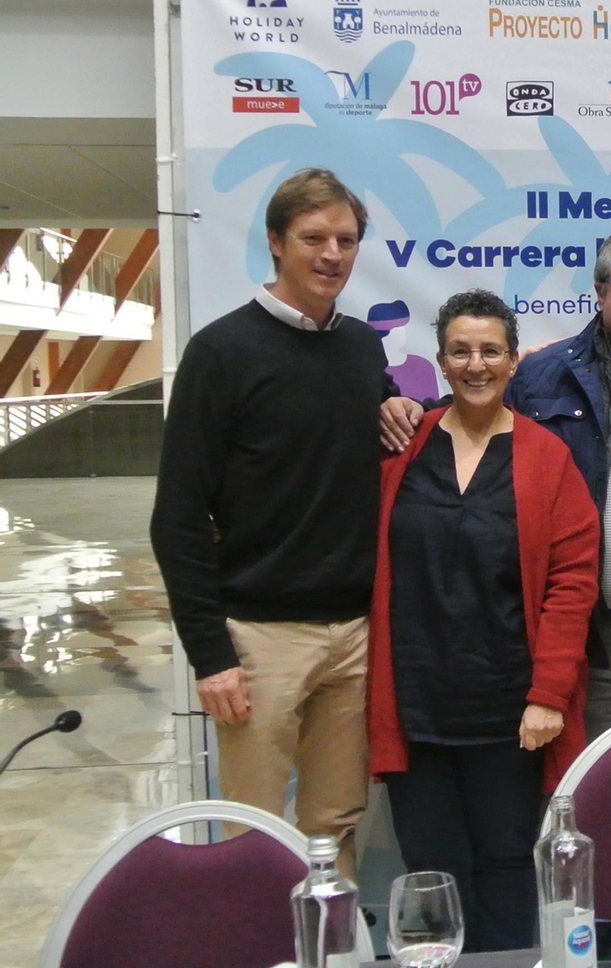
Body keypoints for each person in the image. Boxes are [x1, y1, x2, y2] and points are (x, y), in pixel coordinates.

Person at [380, 224, 611, 737]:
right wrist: (408, 409)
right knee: (591, 782)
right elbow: (476, 418)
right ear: (600, 292)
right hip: (589, 640)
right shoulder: (542, 376)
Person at [150, 167, 389, 878]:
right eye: (314, 238)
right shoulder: (219, 353)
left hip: (354, 635)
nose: (332, 254)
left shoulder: (361, 347)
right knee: (253, 836)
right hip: (258, 641)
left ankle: (334, 939)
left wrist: (398, 402)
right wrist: (210, 655)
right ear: (276, 242)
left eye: (345, 240)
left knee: (336, 828)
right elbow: (178, 517)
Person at [367, 290, 599, 952]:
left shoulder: (546, 455)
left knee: (505, 868)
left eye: (491, 351)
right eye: (461, 351)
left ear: (513, 360)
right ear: (441, 361)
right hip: (416, 707)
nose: (476, 365)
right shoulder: (400, 446)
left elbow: (572, 582)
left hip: (510, 714)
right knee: (432, 876)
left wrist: (549, 694)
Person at [368, 298, 443, 400]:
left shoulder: (424, 366)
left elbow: (442, 403)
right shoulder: (367, 370)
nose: (403, 332)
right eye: (398, 327)